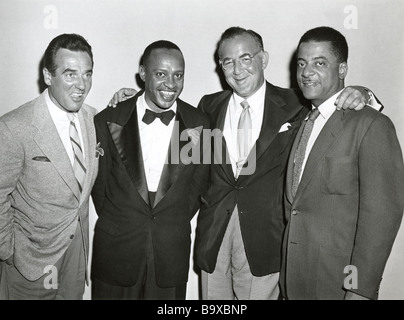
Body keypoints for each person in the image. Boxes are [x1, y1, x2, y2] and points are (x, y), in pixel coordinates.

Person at [108, 27, 380, 300]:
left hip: (265, 243)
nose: (237, 70)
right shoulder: (208, 107)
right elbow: (171, 139)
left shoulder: (295, 103)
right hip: (214, 242)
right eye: (228, 61)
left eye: (246, 58)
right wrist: (132, 101)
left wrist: (363, 93)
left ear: (263, 59)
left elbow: (331, 98)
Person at [279, 26, 404, 300]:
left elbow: (382, 217)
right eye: (302, 63)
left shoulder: (372, 125)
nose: (306, 72)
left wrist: (358, 289)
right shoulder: (302, 120)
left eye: (319, 63)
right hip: (293, 282)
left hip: (337, 285)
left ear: (342, 69)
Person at [90, 40, 210, 300]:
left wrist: (170, 219)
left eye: (178, 75)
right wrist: (123, 219)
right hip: (115, 252)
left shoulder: (202, 125)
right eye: (161, 74)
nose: (171, 84)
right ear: (143, 74)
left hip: (170, 255)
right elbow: (99, 190)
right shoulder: (107, 119)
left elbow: (199, 189)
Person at [0, 33, 98, 300]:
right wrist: (8, 251)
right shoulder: (14, 127)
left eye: (87, 74)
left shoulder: (93, 119)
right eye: (70, 74)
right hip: (30, 264)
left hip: (76, 258)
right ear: (47, 76)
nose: (81, 85)